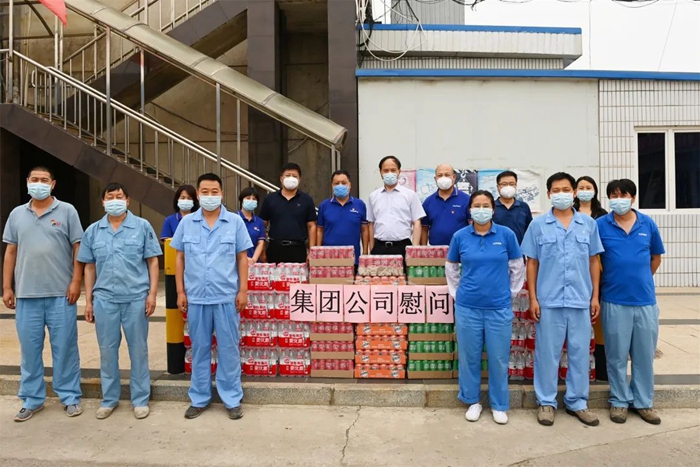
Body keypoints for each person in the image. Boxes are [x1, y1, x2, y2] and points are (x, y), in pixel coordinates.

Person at [521, 172, 604, 427]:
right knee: (547, 354)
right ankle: (546, 402)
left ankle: (577, 402)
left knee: (580, 354)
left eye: (566, 189)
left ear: (574, 192)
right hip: (549, 301)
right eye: (556, 190)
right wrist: (533, 298)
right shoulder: (538, 225)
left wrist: (595, 297)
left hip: (580, 300)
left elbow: (593, 261)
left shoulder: (588, 224)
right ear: (548, 194)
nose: (561, 194)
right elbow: (532, 263)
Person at [2, 166, 84, 422]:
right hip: (27, 295)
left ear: (53, 184)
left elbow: (78, 248)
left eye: (44, 180)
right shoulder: (17, 214)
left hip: (61, 295)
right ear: (27, 182)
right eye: (35, 179)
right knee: (30, 351)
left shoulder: (67, 211)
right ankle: (32, 399)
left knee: (65, 349)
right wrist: (7, 287)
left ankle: (70, 396)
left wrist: (76, 282)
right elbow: (11, 252)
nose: (39, 183)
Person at [171, 173, 252, 420]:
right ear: (197, 194)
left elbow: (242, 258)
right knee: (199, 349)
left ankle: (232, 399)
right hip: (196, 297)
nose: (209, 196)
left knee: (228, 349)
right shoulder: (187, 223)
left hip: (226, 297)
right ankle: (199, 398)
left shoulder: (235, 222)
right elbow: (179, 258)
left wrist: (243, 290)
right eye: (204, 192)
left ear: (222, 194)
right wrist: (180, 291)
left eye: (214, 191)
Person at [78, 183, 161, 420]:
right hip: (105, 300)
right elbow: (89, 267)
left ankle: (140, 399)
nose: (115, 200)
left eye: (119, 196)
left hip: (136, 298)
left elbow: (153, 261)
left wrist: (152, 294)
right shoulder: (94, 230)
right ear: (103, 201)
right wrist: (89, 300)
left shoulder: (142, 226)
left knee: (138, 350)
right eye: (110, 197)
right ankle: (109, 399)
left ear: (127, 200)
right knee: (107, 351)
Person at [446, 190, 524, 425]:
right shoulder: (460, 236)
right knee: (469, 357)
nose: (481, 210)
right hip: (468, 307)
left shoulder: (506, 235)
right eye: (477, 205)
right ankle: (472, 401)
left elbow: (517, 267)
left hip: (498, 308)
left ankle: (499, 404)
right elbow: (451, 268)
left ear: (493, 209)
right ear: (470, 210)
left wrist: (509, 294)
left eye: (486, 205)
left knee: (499, 358)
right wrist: (457, 294)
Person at [597, 179, 665, 425]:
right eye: (614, 195)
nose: (619, 200)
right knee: (616, 356)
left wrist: (640, 279)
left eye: (623, 195)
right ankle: (618, 400)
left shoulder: (648, 224)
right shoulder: (600, 225)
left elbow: (655, 258)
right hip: (614, 300)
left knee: (644, 355)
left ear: (633, 198)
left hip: (645, 301)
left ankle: (643, 402)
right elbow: (594, 261)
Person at [574, 175, 609, 382]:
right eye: (581, 187)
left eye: (589, 187)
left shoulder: (602, 215)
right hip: (575, 272)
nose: (585, 191)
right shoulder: (569, 213)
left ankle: (601, 369)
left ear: (595, 191)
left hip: (597, 268)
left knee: (598, 322)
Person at [367, 156, 425, 258]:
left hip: (403, 246)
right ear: (380, 172)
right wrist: (372, 248)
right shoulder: (373, 196)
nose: (389, 173)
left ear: (399, 171)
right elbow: (371, 224)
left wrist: (414, 248)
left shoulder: (410, 195)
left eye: (393, 170)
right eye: (386, 170)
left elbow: (417, 222)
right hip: (379, 247)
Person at [259, 163, 317, 263]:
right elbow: (262, 225)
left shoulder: (306, 200)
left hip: (298, 249)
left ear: (299, 179)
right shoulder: (270, 199)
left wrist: (312, 251)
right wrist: (262, 250)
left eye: (294, 176)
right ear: (281, 178)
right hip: (275, 248)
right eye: (288, 175)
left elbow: (311, 226)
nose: (291, 178)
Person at [317, 170, 369, 264]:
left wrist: (365, 252)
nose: (340, 186)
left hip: (353, 258)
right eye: (336, 183)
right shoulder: (324, 206)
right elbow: (320, 230)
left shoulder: (360, 204)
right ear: (332, 186)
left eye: (344, 183)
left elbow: (364, 229)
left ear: (350, 185)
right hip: (329, 258)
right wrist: (317, 251)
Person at [421, 164, 471, 246]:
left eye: (447, 175)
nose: (443, 178)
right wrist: (423, 249)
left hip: (461, 248)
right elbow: (424, 229)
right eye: (440, 175)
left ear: (454, 177)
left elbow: (472, 226)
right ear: (435, 179)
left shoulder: (466, 199)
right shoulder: (428, 202)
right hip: (436, 250)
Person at [493, 170, 533, 245]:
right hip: (497, 249)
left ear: (516, 186)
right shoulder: (492, 207)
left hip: (519, 249)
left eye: (511, 184)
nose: (508, 187)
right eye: (504, 184)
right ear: (498, 187)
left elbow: (529, 231)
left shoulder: (524, 206)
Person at [238, 187, 266, 263]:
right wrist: (244, 259)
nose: (251, 201)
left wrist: (253, 260)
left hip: (254, 263)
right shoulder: (234, 218)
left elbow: (260, 243)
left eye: (254, 199)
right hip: (237, 262)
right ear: (242, 200)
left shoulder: (259, 221)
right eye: (248, 198)